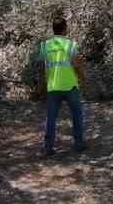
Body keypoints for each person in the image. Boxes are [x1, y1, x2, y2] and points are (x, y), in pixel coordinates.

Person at [36, 16, 86, 156]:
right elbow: (76, 64)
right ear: (65, 29)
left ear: (53, 29)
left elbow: (41, 68)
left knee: (50, 117)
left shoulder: (45, 45)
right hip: (70, 86)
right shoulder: (70, 44)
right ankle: (78, 143)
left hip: (53, 87)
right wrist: (83, 78)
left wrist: (41, 85)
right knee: (76, 114)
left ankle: (48, 147)